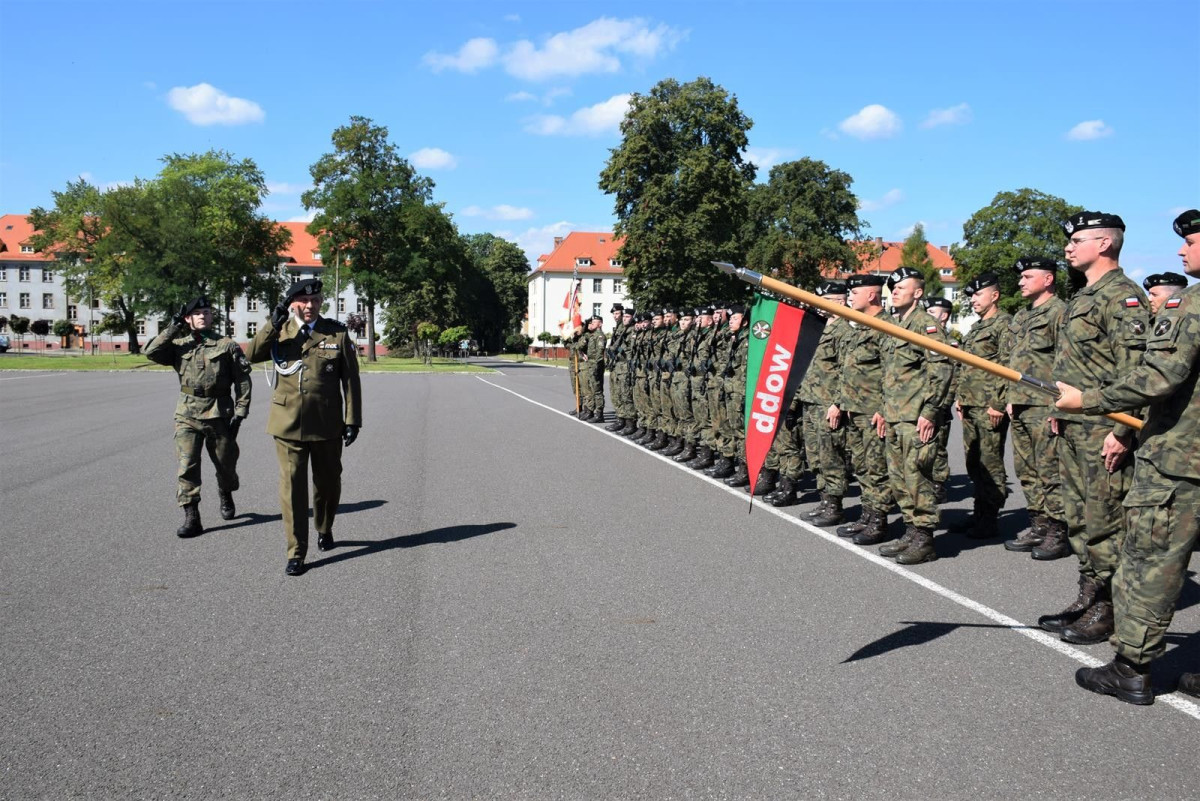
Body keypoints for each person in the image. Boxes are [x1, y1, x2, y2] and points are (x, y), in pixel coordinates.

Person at [1055, 208, 1200, 704]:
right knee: (1088, 519)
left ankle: (1132, 666)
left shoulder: (1180, 304)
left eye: (1192, 241)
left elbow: (1155, 375)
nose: (1182, 251)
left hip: (1178, 456)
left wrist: (1100, 410)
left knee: (1147, 560)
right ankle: (1093, 598)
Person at [1038, 212, 1149, 643]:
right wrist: (1060, 411)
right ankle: (1089, 595)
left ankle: (1110, 609)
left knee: (1106, 521)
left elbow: (1137, 372)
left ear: (1104, 243)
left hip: (1105, 428)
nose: (1068, 247)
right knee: (1081, 520)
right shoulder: (1084, 295)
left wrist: (1123, 431)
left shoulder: (1121, 297)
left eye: (1078, 239)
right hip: (1074, 425)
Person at [246, 279, 362, 577]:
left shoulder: (336, 332)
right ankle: (296, 551)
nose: (310, 306)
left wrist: (353, 420)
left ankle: (325, 527)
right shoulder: (280, 331)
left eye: (316, 301)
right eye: (303, 301)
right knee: (292, 490)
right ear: (292, 302)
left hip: (327, 424)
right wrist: (272, 323)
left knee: (328, 483)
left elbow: (350, 380)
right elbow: (251, 355)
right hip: (288, 425)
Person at [145, 294, 253, 537]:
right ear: (188, 318)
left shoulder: (226, 345)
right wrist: (173, 326)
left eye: (206, 313)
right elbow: (151, 352)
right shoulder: (179, 345)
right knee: (187, 465)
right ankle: (192, 516)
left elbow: (242, 380)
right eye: (197, 314)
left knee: (226, 465)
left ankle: (225, 491)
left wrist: (241, 411)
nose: (203, 317)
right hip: (187, 412)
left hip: (219, 413)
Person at [878, 267, 953, 564]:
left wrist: (931, 411)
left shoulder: (926, 326)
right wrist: (884, 412)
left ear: (918, 293)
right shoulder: (898, 324)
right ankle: (910, 531)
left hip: (916, 416)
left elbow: (942, 369)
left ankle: (924, 538)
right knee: (899, 479)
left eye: (901, 287)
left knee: (918, 477)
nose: (894, 291)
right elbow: (891, 375)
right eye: (892, 287)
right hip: (896, 415)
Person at [1003, 257, 1069, 559]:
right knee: (1026, 470)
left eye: (1028, 276)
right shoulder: (1020, 317)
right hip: (1020, 404)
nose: (1021, 281)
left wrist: (1061, 408)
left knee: (1050, 471)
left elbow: (1067, 363)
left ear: (1048, 279)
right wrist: (1008, 397)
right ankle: (1039, 524)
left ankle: (1058, 530)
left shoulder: (1060, 313)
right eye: (1021, 277)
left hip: (1045, 405)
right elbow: (1010, 363)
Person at [952, 272, 1012, 540]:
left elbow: (1009, 367)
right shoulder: (976, 328)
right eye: (972, 296)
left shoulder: (1004, 325)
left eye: (978, 294)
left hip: (989, 406)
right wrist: (960, 397)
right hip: (971, 404)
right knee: (974, 462)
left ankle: (989, 519)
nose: (973, 300)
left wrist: (998, 403)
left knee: (990, 463)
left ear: (994, 295)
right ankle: (979, 514)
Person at [829, 275, 889, 541]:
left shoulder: (886, 327)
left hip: (873, 411)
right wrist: (842, 404)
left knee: (877, 469)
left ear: (873, 295)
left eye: (855, 292)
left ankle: (879, 519)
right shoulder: (860, 329)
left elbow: (892, 372)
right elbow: (847, 372)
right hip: (855, 409)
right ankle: (866, 514)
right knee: (862, 467)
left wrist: (885, 407)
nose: (850, 297)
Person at [923, 296, 957, 503]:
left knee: (939, 447)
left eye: (932, 313)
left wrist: (945, 402)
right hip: (928, 400)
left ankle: (938, 484)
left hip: (941, 403)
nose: (928, 316)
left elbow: (951, 375)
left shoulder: (948, 341)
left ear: (944, 316)